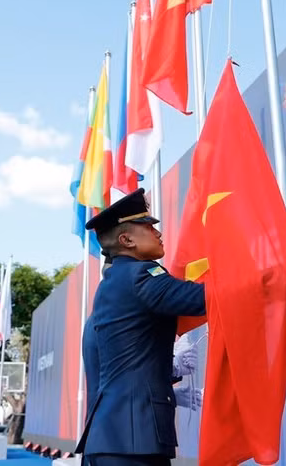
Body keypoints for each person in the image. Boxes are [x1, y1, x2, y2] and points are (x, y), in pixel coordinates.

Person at [75, 189, 206, 466]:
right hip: (131, 443)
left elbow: (120, 363)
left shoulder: (111, 288)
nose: (157, 232)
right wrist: (272, 273)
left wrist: (169, 375)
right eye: (148, 226)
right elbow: (201, 298)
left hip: (113, 439)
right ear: (126, 240)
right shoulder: (140, 274)